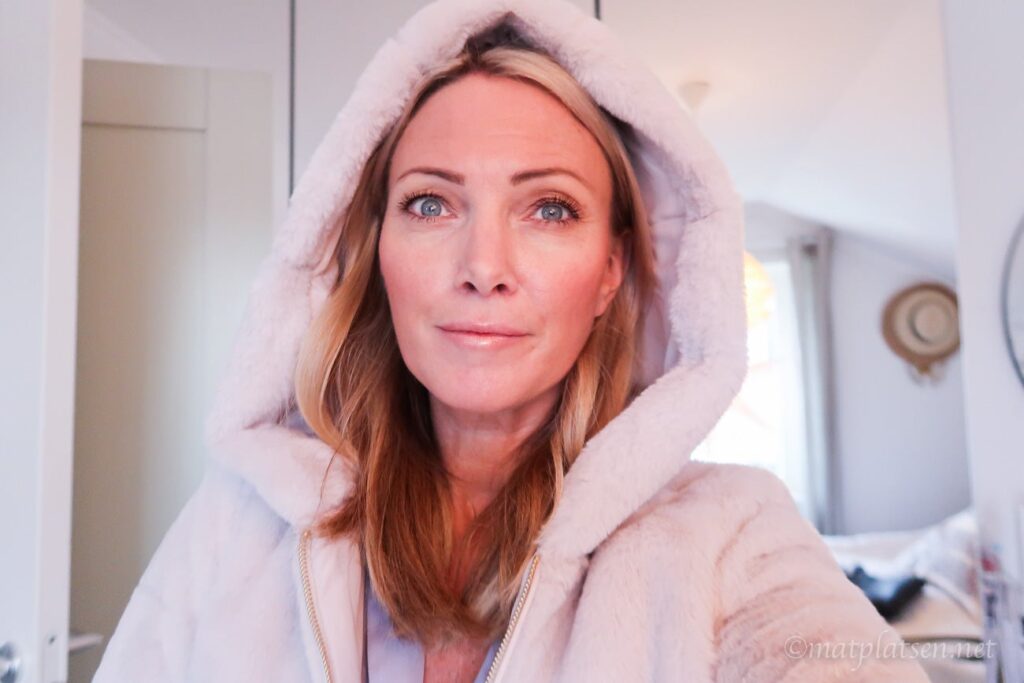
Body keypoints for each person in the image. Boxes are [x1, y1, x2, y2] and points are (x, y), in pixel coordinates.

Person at [94, 0, 932, 681]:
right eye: (430, 203)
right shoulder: (238, 521)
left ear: (610, 272)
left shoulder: (733, 536)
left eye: (549, 209)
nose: (484, 268)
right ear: (375, 253)